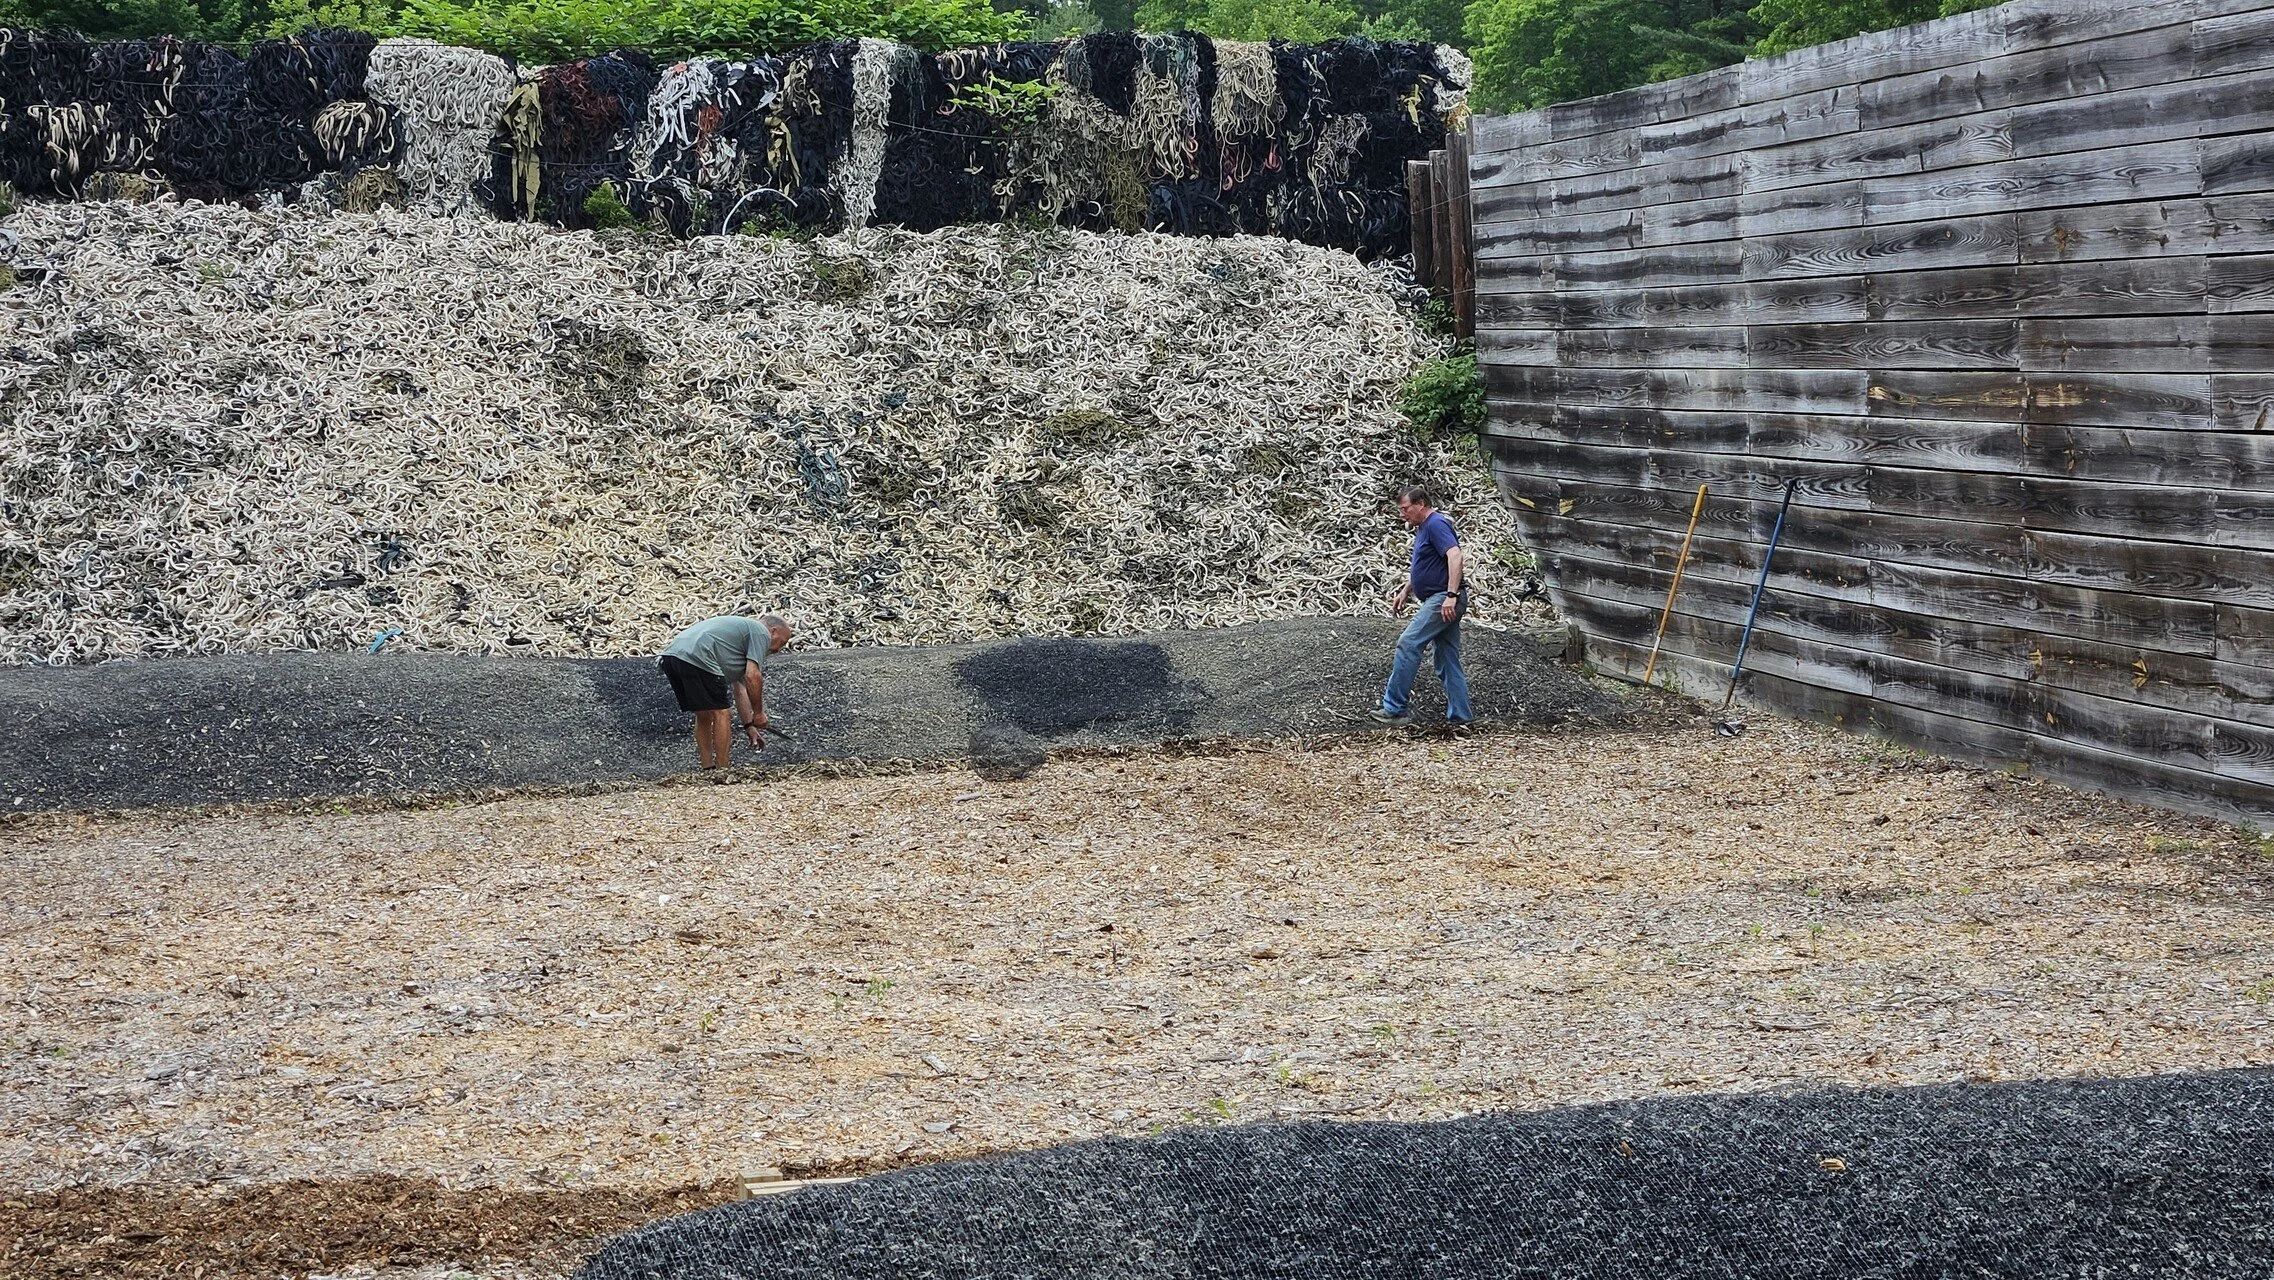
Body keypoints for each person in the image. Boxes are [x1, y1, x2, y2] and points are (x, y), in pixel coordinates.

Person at [1372, 486, 1472, 728]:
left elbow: (1455, 556)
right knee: (1447, 658)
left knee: (1408, 643)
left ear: (1420, 504)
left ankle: (1394, 709)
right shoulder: (1424, 528)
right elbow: (1427, 564)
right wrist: (1407, 590)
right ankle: (1461, 716)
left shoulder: (1436, 524)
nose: (1402, 514)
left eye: (1405, 509)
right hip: (1439, 597)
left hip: (1443, 599)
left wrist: (1451, 595)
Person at [658, 613, 791, 769]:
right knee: (722, 713)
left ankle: (707, 768)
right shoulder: (760, 631)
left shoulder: (738, 638)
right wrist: (759, 713)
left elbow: (740, 689)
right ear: (773, 631)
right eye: (781, 643)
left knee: (704, 713)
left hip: (672, 657)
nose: (778, 650)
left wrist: (749, 726)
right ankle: (723, 770)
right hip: (698, 655)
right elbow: (753, 676)